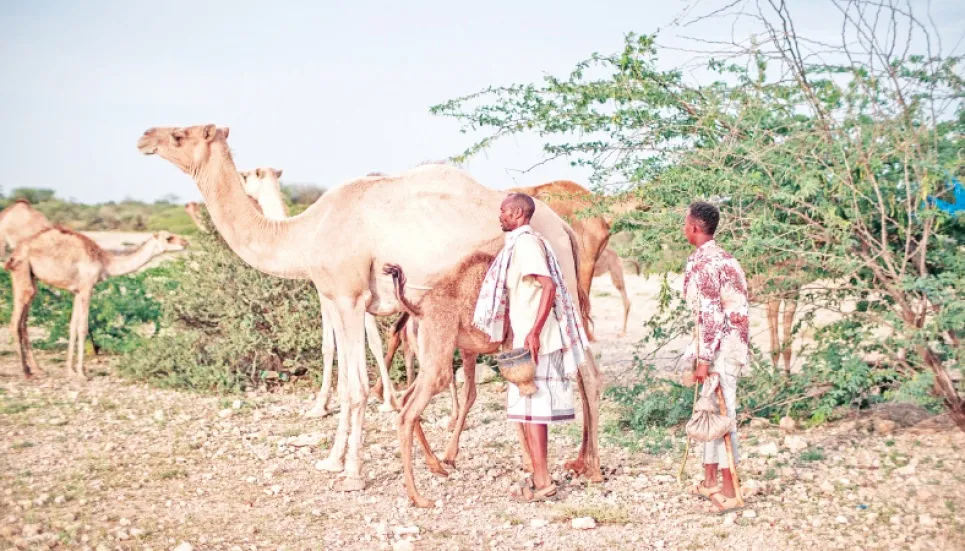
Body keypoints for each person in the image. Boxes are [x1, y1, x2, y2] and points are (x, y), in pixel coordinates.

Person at [472, 192, 590, 503]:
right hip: (528, 338)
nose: (499, 216)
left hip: (536, 342)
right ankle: (540, 476)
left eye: (503, 212)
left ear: (517, 214)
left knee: (535, 411)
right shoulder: (522, 243)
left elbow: (548, 284)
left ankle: (543, 480)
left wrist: (534, 332)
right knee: (529, 412)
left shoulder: (525, 245)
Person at [682, 201, 750, 513]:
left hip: (721, 349)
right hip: (726, 345)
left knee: (723, 416)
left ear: (694, 227)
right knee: (710, 410)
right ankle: (710, 480)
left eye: (686, 223)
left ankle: (730, 490)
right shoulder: (726, 259)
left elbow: (710, 317)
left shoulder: (705, 264)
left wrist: (703, 360)